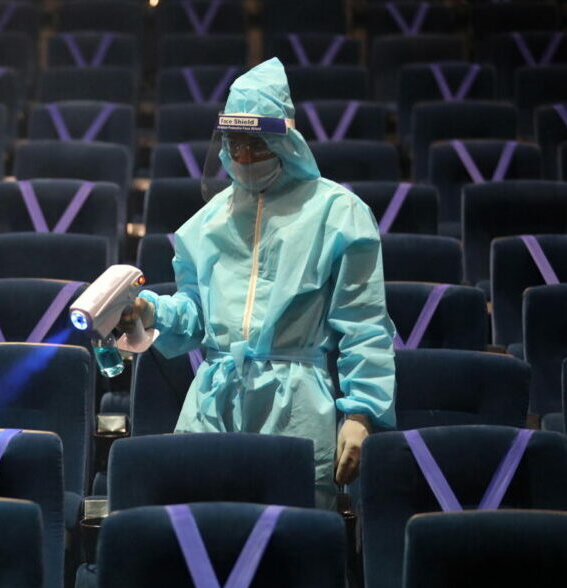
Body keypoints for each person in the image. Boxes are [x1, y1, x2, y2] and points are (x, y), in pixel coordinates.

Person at [122, 58, 396, 509]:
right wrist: (152, 311)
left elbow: (363, 322)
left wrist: (362, 411)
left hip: (297, 404)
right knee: (202, 528)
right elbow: (196, 316)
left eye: (257, 144)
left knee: (288, 533)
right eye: (235, 144)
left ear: (284, 141)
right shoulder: (207, 222)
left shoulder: (337, 213)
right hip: (213, 402)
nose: (245, 157)